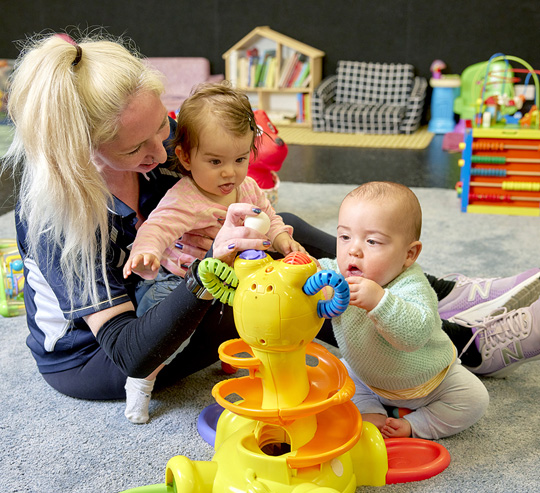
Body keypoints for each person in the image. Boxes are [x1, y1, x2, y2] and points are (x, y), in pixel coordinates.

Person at [4, 31, 538, 425]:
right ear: (80, 151)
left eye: (162, 127)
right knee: (267, 293)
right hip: (101, 357)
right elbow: (130, 352)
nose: (162, 150)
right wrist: (216, 266)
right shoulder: (58, 213)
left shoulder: (159, 150)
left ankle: (438, 292)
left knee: (286, 233)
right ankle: (456, 345)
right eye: (135, 148)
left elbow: (234, 188)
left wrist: (259, 219)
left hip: (169, 287)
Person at [121, 82, 305, 422]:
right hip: (177, 284)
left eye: (239, 159)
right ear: (187, 158)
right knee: (172, 340)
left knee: (254, 310)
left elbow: (271, 217)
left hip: (230, 278)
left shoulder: (247, 187)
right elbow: (157, 226)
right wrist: (147, 251)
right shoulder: (186, 197)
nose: (229, 172)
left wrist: (283, 242)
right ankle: (141, 380)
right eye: (215, 161)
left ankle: (233, 358)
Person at [317, 181, 540, 440]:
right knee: (335, 375)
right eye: (344, 237)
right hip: (367, 375)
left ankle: (417, 423)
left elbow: (413, 335)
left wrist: (379, 301)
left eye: (372, 241)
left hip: (430, 381)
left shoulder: (412, 285)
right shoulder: (335, 274)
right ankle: (371, 412)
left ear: (409, 254)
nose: (353, 250)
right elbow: (312, 276)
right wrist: (297, 271)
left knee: (474, 399)